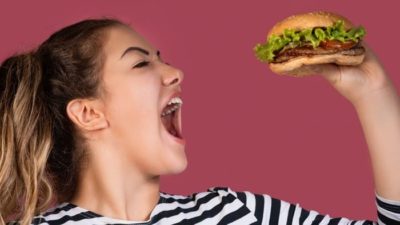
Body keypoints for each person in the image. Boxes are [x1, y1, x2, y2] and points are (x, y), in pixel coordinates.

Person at [0, 18, 399, 225]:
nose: (175, 72)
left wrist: (373, 91)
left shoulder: (236, 213)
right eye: (141, 62)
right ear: (89, 113)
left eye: (162, 58)